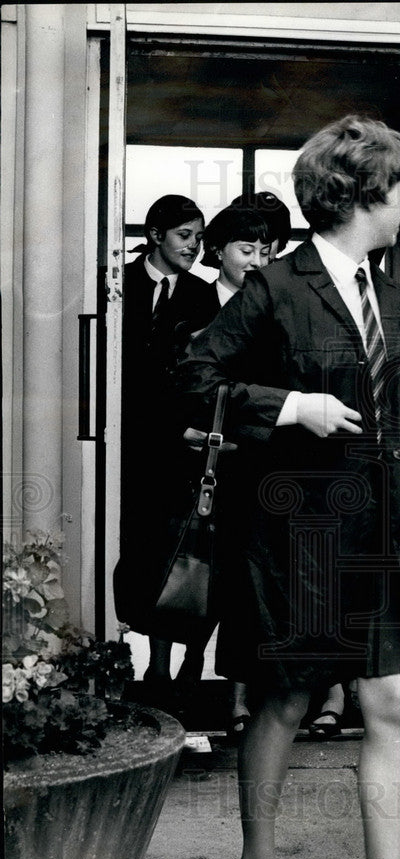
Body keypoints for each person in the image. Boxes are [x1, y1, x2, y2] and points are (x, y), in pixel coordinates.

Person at [177, 115, 400, 859]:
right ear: (366, 193)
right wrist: (289, 407)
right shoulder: (276, 287)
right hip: (297, 537)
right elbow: (194, 380)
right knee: (286, 701)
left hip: (387, 540)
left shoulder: (399, 301)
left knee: (393, 703)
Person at [185, 194, 293, 734]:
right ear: (219, 251)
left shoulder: (277, 303)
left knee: (261, 585)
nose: (255, 260)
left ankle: (260, 697)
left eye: (265, 250)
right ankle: (200, 687)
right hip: (206, 464)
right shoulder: (194, 301)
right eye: (246, 249)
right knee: (214, 581)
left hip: (263, 461)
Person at [114, 194, 212, 711]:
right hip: (126, 444)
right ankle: (138, 658)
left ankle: (179, 665)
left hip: (180, 447)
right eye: (185, 236)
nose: (194, 247)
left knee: (175, 554)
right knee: (134, 550)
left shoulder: (201, 295)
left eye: (198, 237)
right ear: (155, 234)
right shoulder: (119, 284)